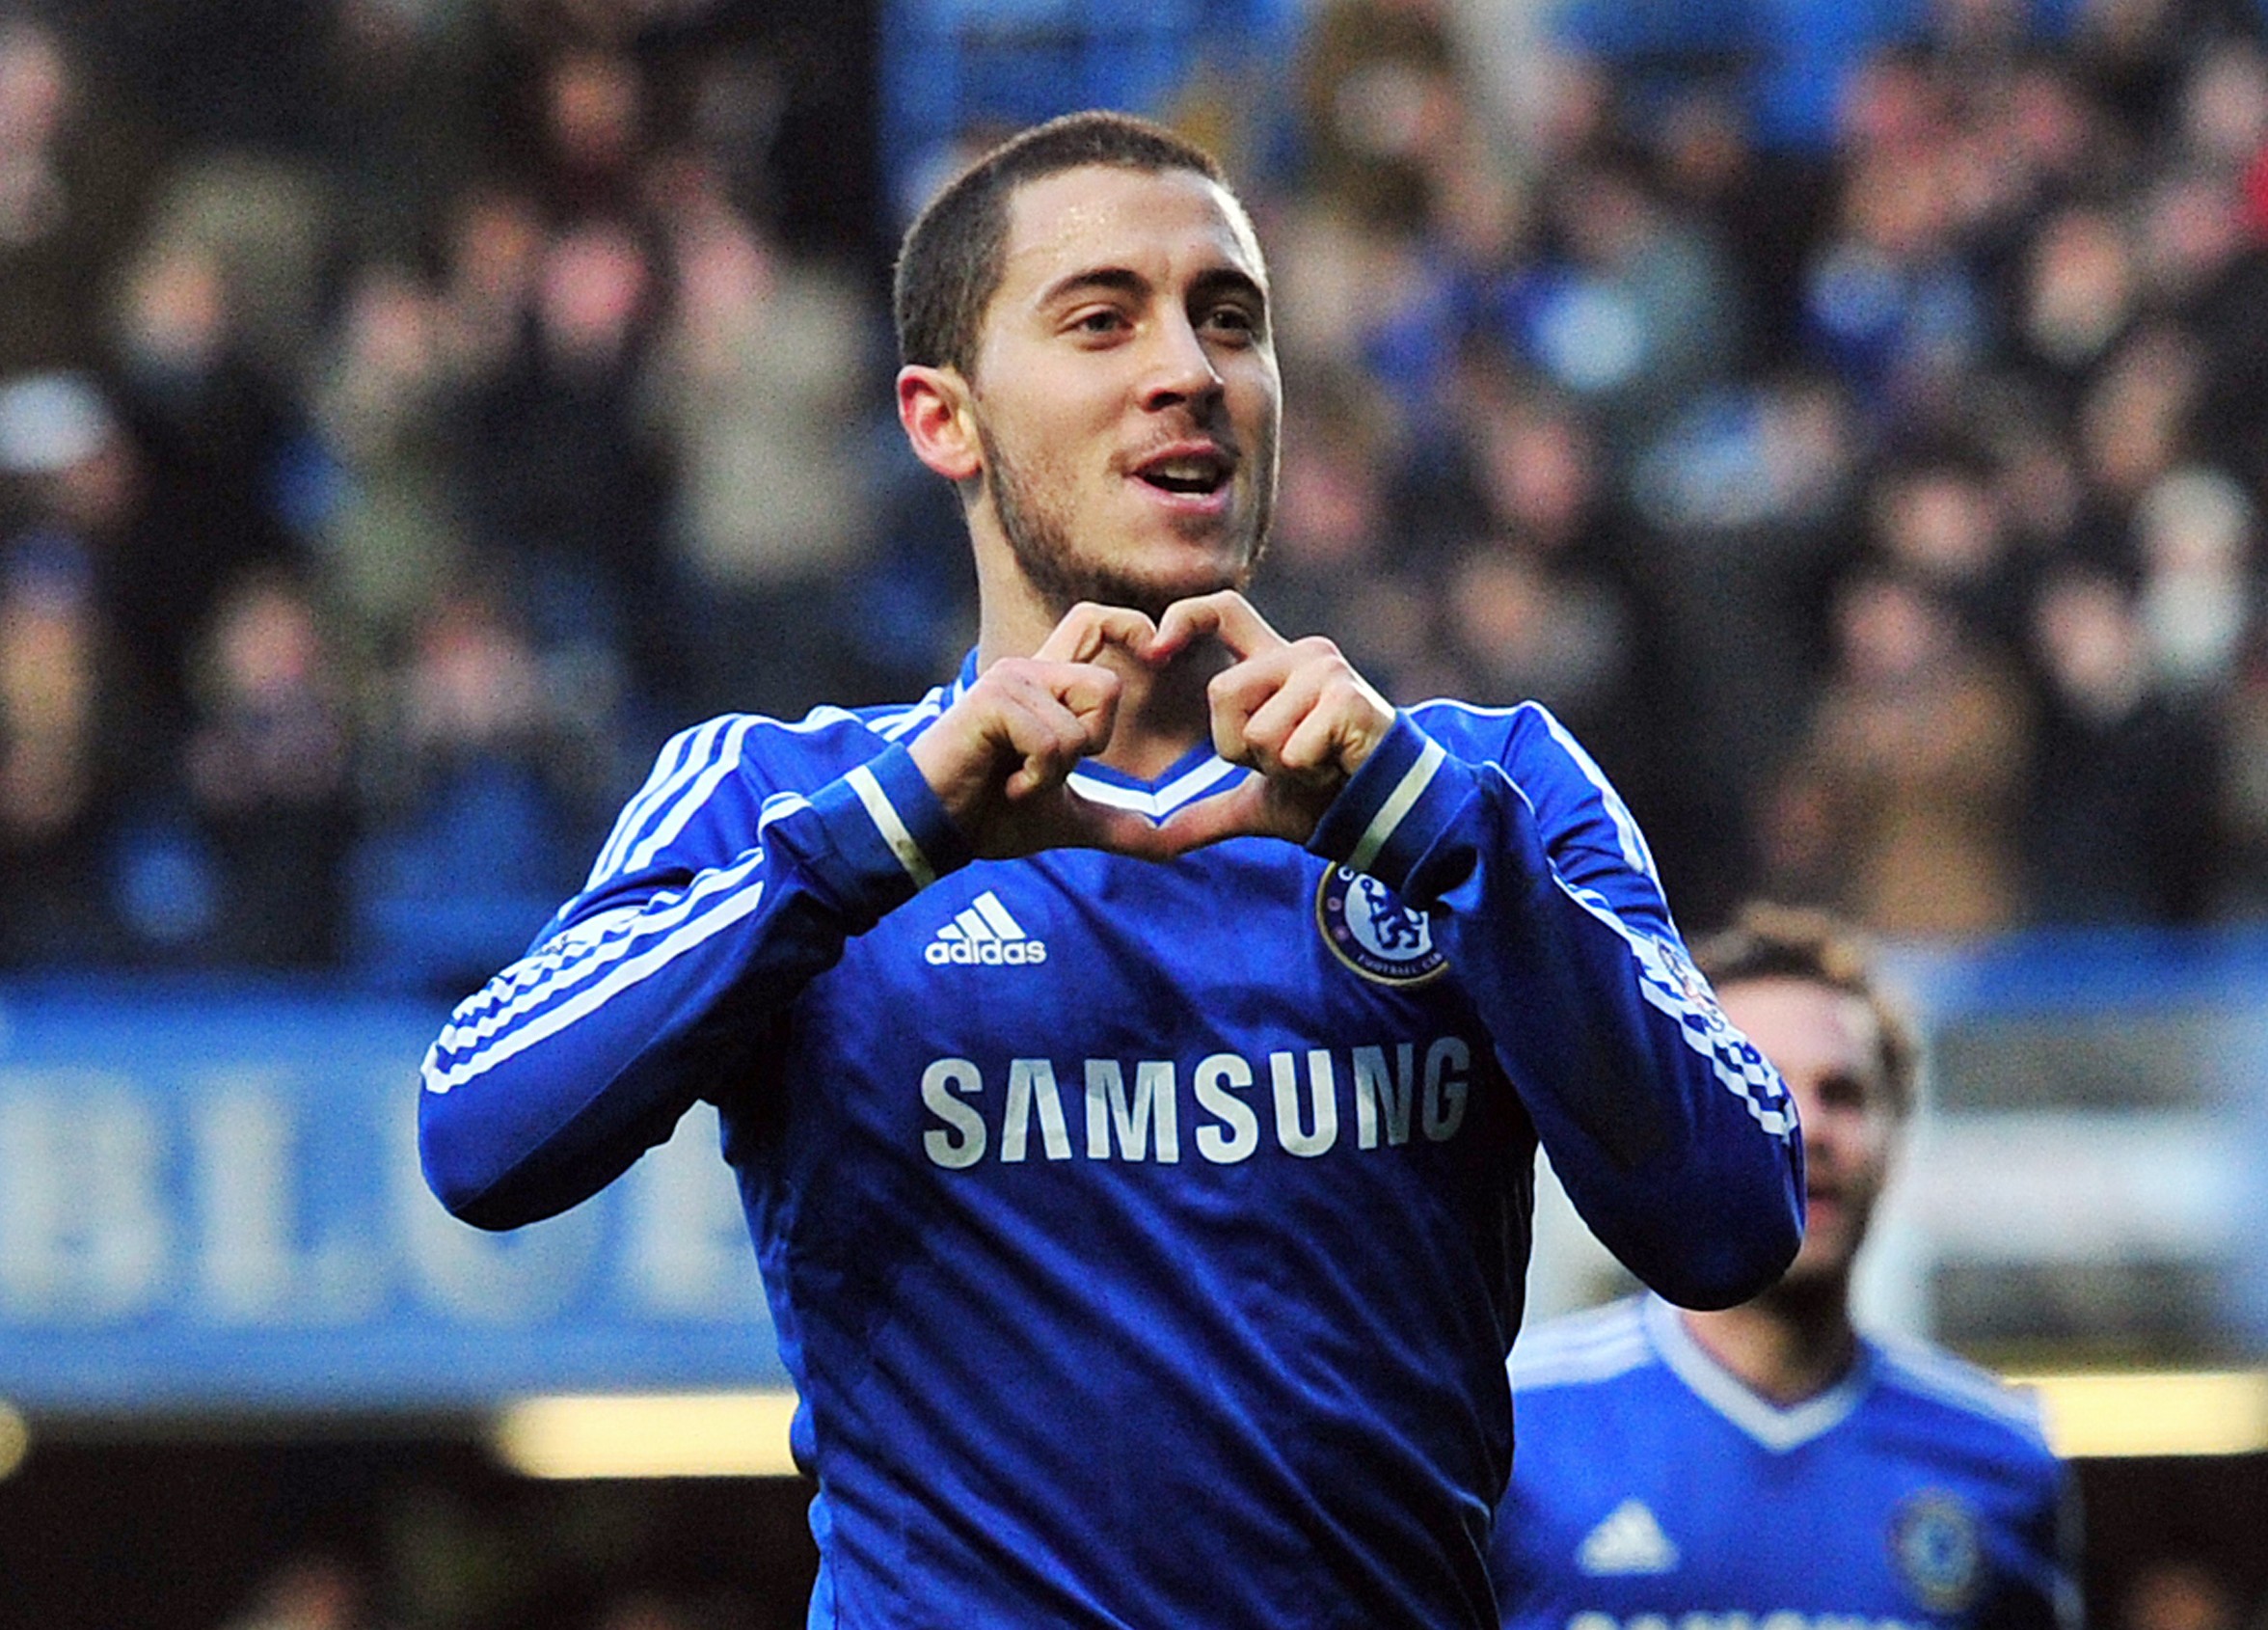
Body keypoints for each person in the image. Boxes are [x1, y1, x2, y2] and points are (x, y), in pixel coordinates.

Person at [418, 110, 1803, 1628]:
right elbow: (480, 1131)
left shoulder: (1488, 788)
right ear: (943, 419)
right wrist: (892, 834)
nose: (1190, 370)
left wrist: (1433, 827)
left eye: (1232, 320)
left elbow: (1733, 1222)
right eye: (1102, 320)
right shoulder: (781, 797)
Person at [1490, 901, 2078, 1629]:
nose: (1804, 1127)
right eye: (1756, 1084)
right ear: (1677, 1122)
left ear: (1896, 1139)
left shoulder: (1997, 1457)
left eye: (1843, 1093)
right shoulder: (1519, 1425)